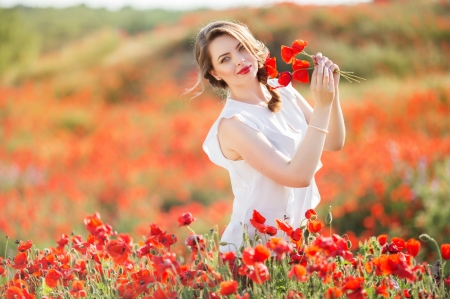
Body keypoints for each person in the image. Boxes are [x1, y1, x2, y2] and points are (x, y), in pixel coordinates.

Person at [188, 20, 345, 256]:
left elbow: (333, 142)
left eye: (241, 48)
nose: (239, 60)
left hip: (297, 241)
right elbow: (297, 176)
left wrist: (331, 94)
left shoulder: (282, 90)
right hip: (254, 252)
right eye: (225, 59)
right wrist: (321, 107)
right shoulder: (233, 124)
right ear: (214, 72)